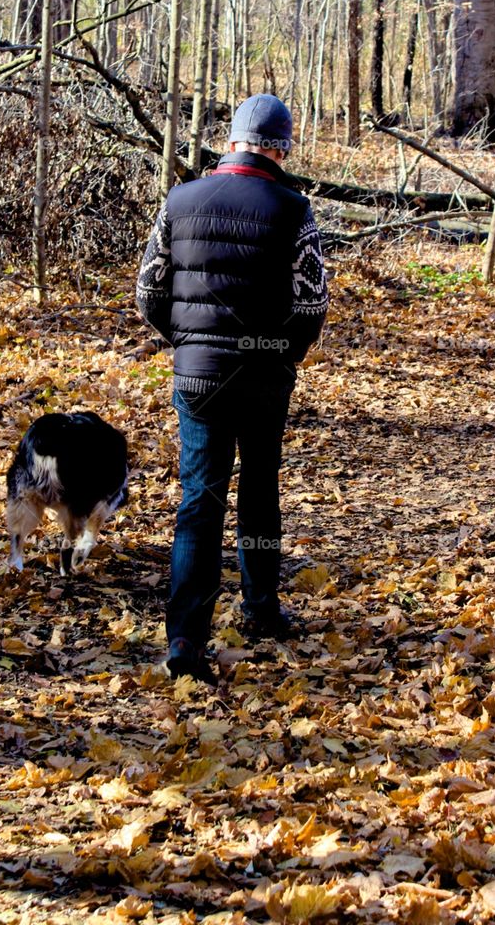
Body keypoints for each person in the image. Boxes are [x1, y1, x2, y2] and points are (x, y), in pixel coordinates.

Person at [136, 94, 328, 683]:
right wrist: (284, 352)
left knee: (200, 499)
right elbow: (311, 303)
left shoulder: (180, 199)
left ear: (232, 142)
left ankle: (185, 641)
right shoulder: (295, 210)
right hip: (267, 377)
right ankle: (261, 611)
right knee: (260, 487)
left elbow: (148, 293)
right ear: (279, 148)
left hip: (198, 375)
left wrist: (187, 342)